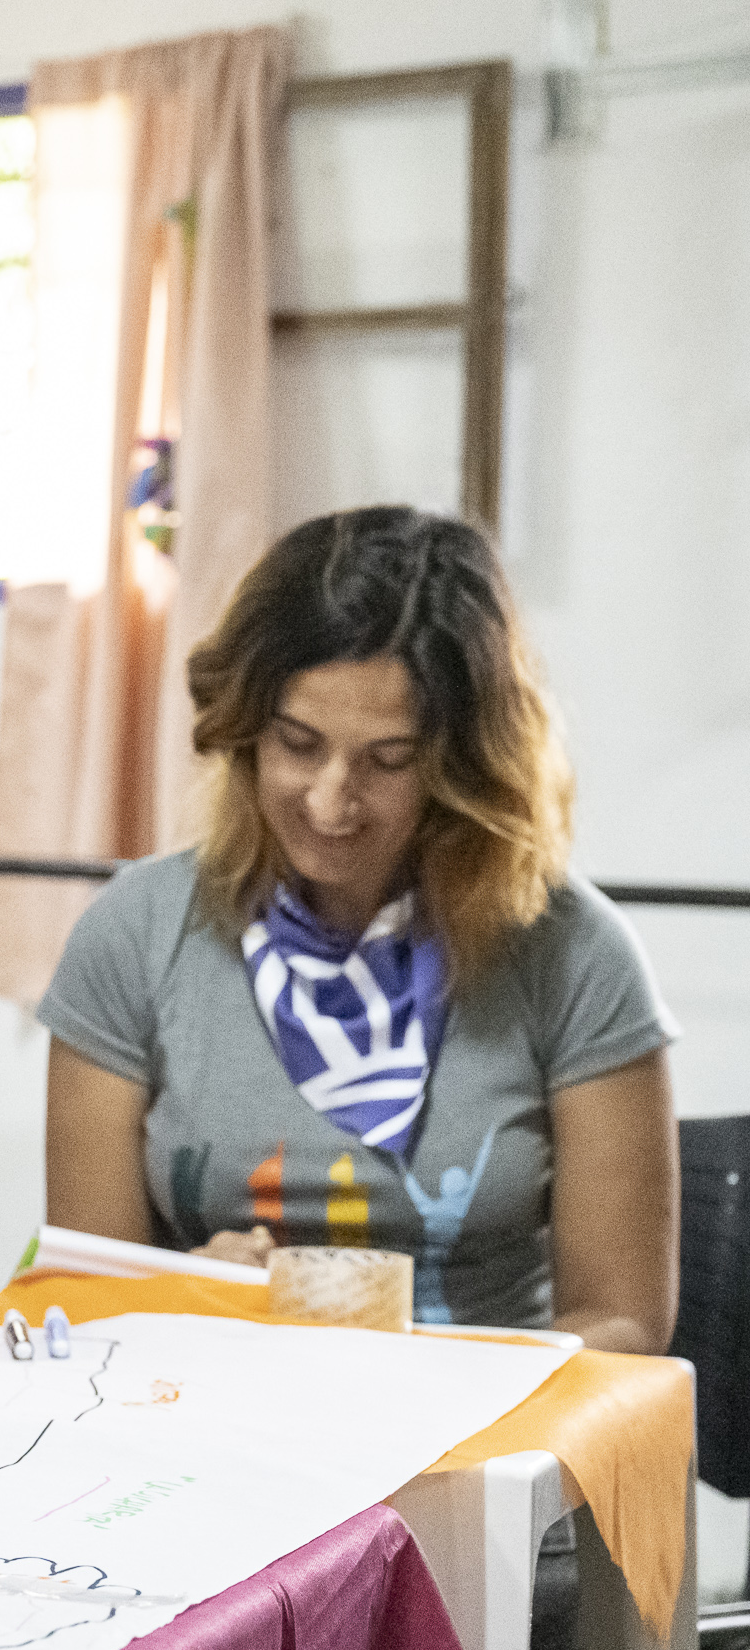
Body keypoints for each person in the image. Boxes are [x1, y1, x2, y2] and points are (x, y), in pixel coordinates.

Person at [41, 507, 677, 1348]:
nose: (330, 802)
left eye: (387, 761)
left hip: (487, 1437)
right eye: (298, 744)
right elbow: (87, 1307)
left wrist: (429, 1387)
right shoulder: (134, 937)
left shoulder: (571, 953)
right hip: (210, 1426)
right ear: (243, 732)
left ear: (466, 766)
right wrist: (196, 1295)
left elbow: (625, 1322)